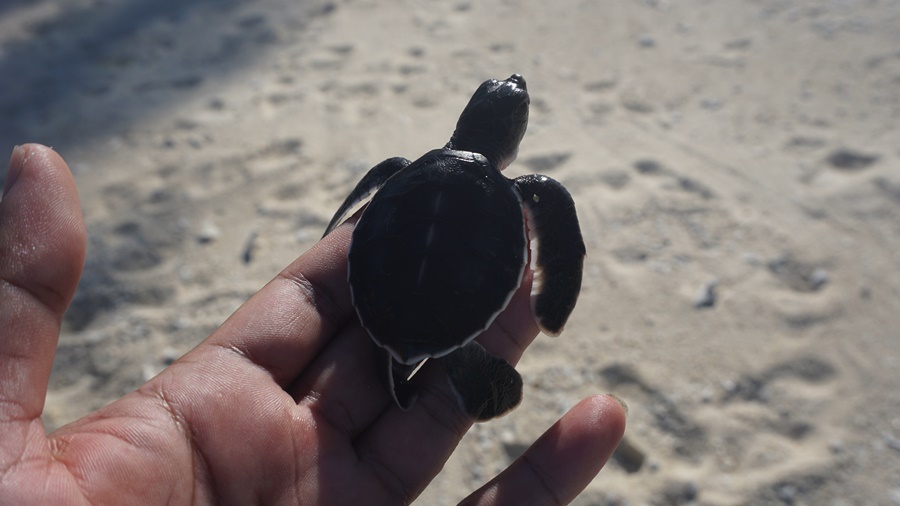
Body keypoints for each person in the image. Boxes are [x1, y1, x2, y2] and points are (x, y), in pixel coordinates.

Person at [0, 144, 626, 505]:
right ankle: (446, 359)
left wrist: (340, 227)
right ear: (509, 136)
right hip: (453, 296)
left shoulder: (404, 167)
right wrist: (556, 291)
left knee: (400, 344)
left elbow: (369, 197)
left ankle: (414, 357)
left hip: (376, 299)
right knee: (440, 354)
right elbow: (557, 223)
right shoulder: (526, 190)